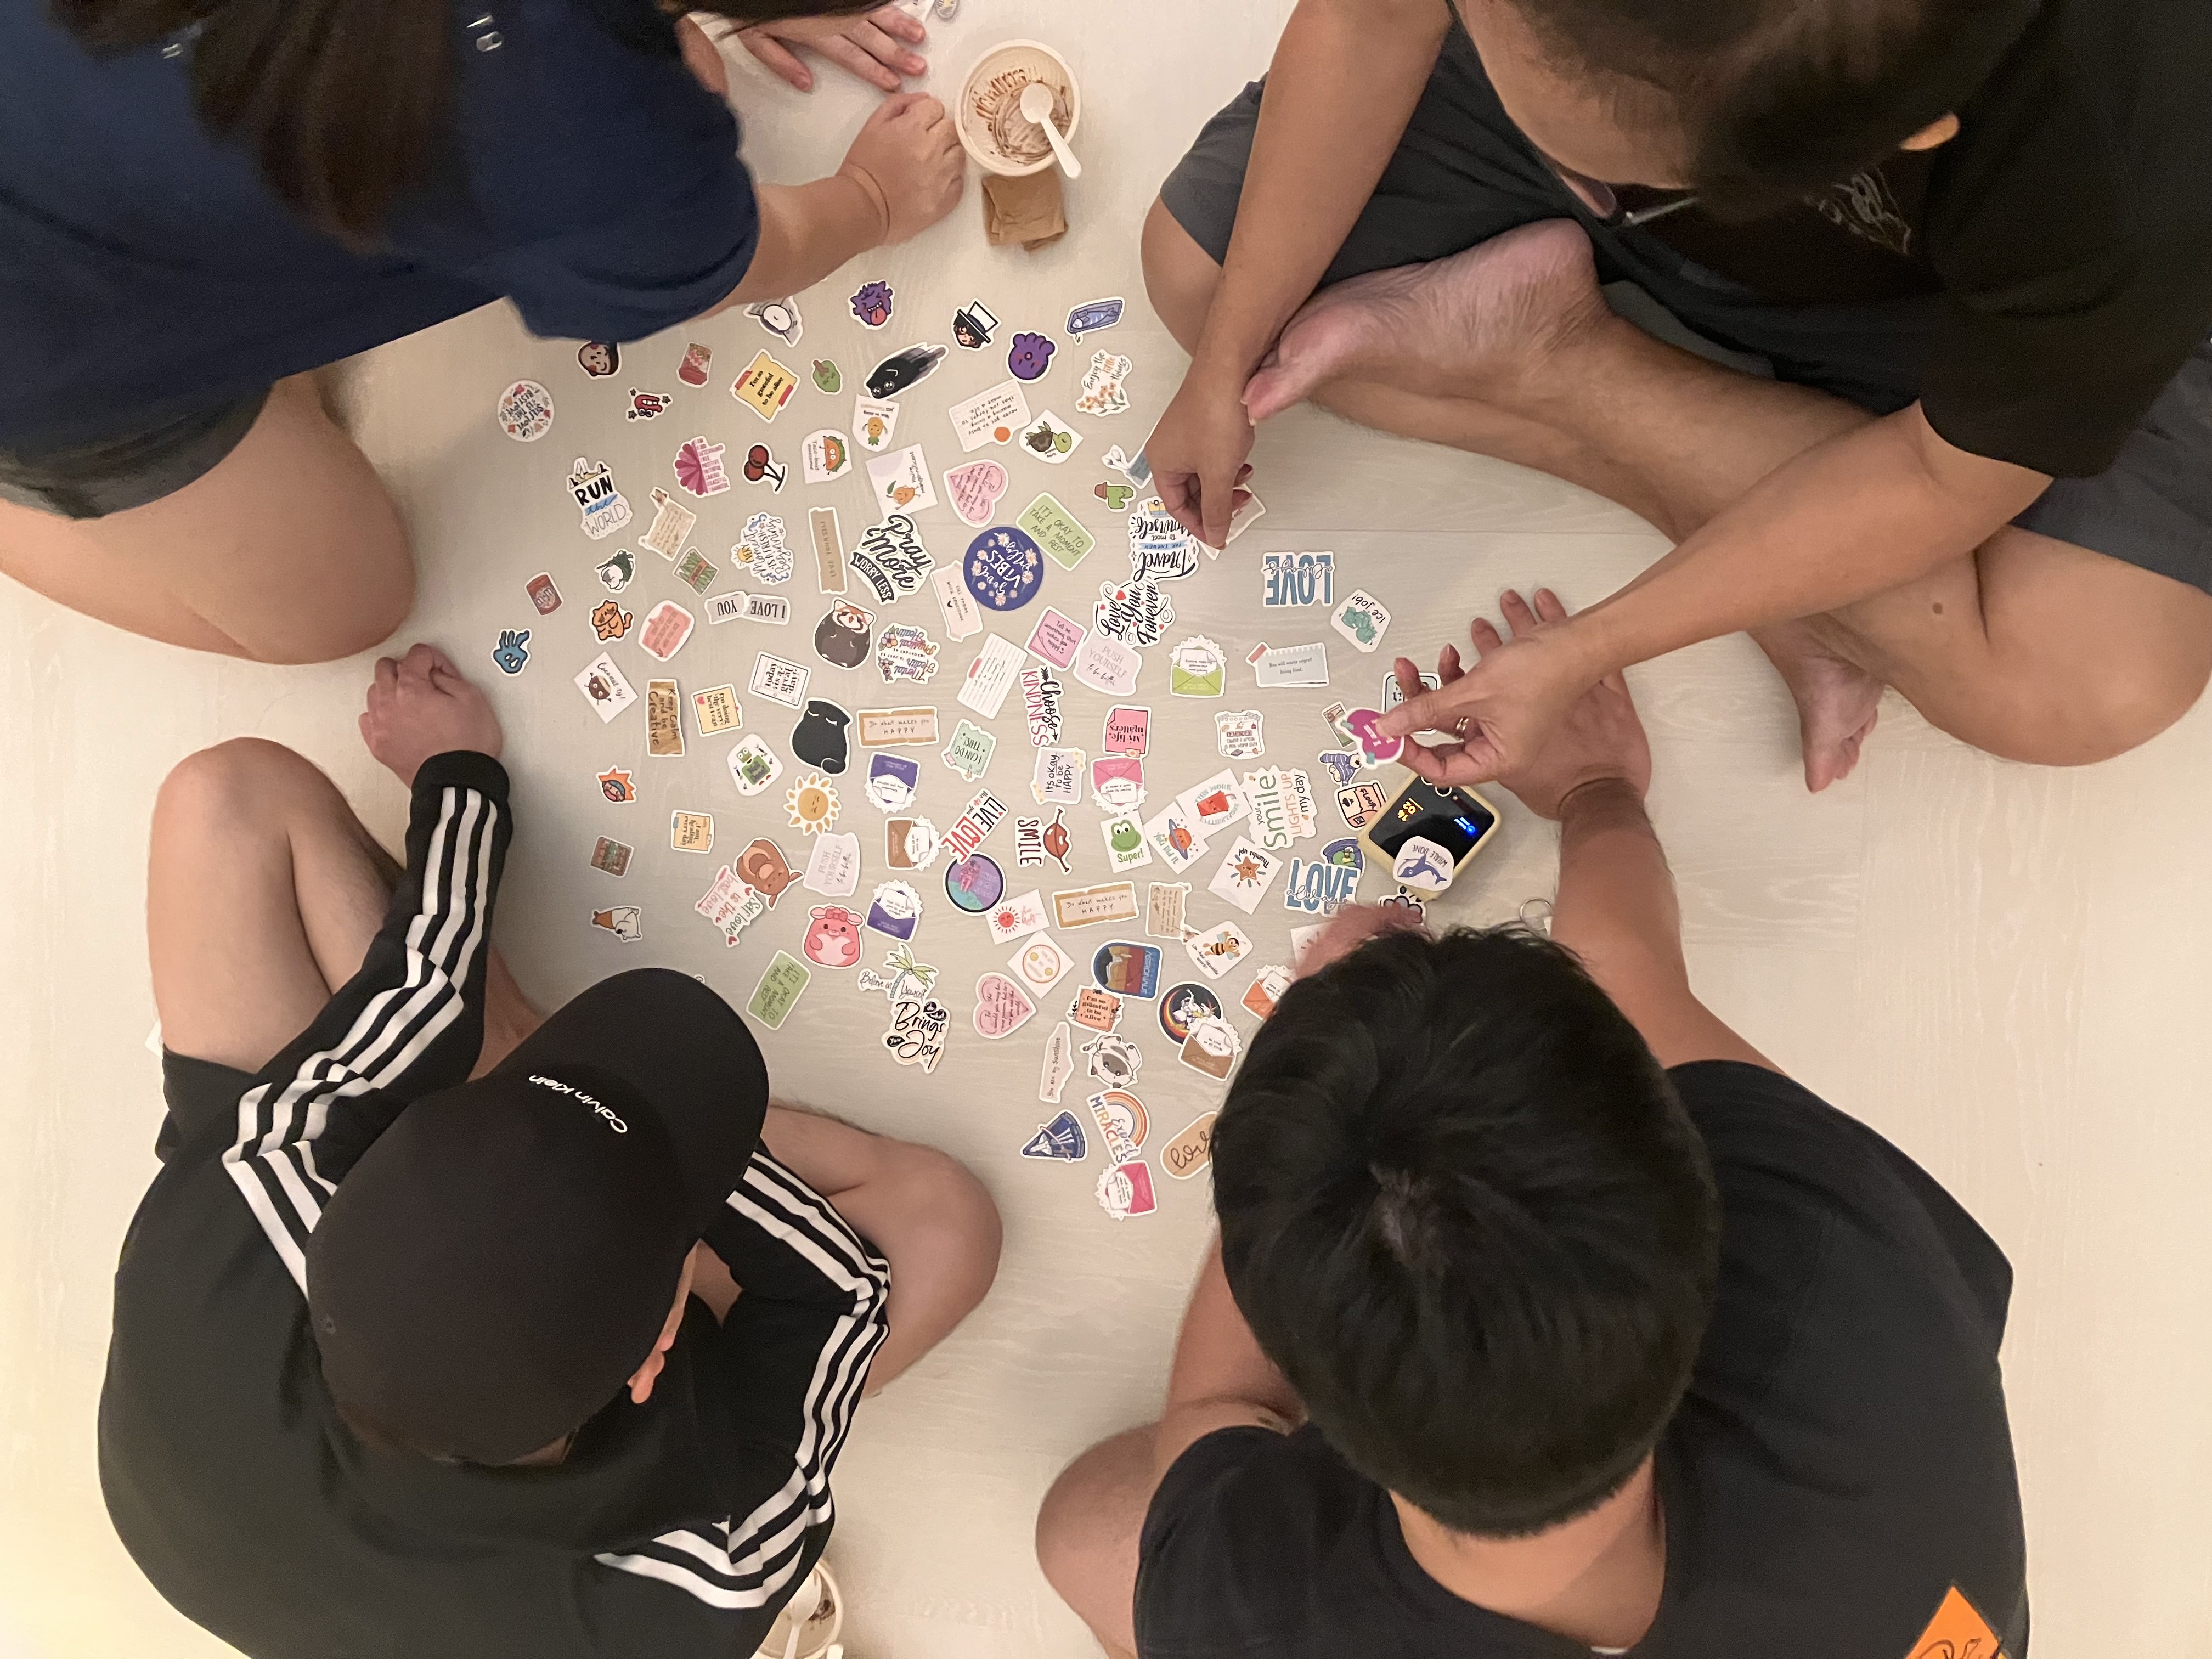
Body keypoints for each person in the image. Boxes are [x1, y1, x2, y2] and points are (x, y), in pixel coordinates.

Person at [1036, 589, 2027, 1657]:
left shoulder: (1253, 1607)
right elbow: (1635, 971)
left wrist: (1292, 1095)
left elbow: (1218, 1404)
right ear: (1693, 1181)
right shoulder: (1833, 1247)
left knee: (1088, 1528)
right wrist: (1599, 789)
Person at [100, 644, 1002, 1655]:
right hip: (339, 1550)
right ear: (659, 1351)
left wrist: (461, 784)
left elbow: (419, 1000)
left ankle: (516, 1074)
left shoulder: (240, 1200)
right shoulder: (719, 1565)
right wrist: (646, 1161)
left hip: (210, 1488)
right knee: (948, 1224)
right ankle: (523, 1069)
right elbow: (848, 1292)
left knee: (224, 798)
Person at [1141, 0, 2212, 791]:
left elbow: (1943, 478)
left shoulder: (2132, 172)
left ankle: (1544, 348)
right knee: (1202, 284)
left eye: (1610, 181)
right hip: (1705, 113)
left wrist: (1592, 644)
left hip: (1965, 302)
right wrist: (1220, 367)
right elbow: (1376, 21)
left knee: (2085, 679)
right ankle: (1785, 576)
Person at [0, 0, 964, 664]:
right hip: (46, 366)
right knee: (345, 614)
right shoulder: (600, 151)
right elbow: (755, 252)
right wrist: (872, 201)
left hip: (76, 162)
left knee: (688, 76)